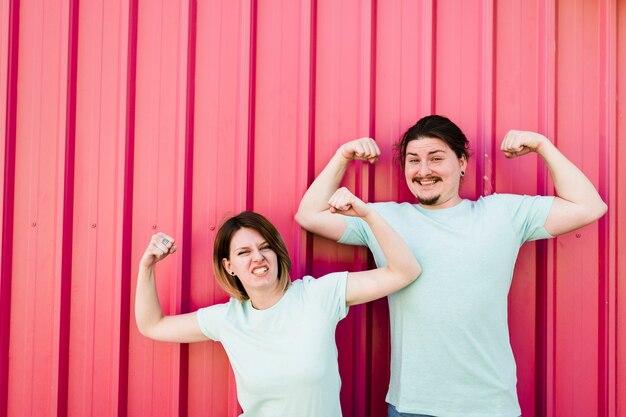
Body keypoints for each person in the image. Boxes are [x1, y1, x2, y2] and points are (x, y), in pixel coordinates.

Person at [295, 115, 607, 417]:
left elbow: (589, 206)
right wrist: (342, 156)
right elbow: (309, 215)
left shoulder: (502, 214)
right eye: (414, 160)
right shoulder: (381, 218)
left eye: (436, 158)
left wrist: (542, 146)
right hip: (412, 407)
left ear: (461, 163)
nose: (424, 170)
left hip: (488, 406)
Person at [135, 187, 421, 417]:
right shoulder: (227, 319)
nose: (257, 257)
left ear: (277, 253)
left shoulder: (318, 295)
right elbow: (152, 325)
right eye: (244, 252)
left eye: (264, 247)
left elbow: (404, 271)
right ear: (229, 266)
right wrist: (147, 266)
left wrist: (367, 216)